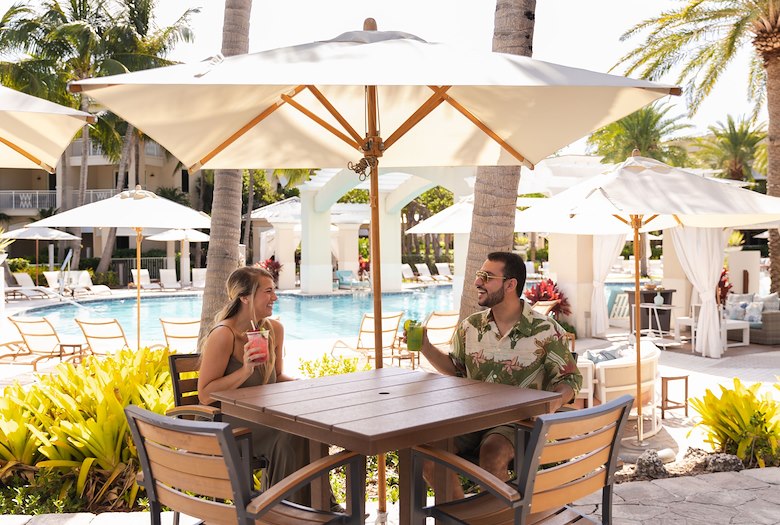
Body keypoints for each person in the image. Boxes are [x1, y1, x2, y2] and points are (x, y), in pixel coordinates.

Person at [417, 251, 582, 497]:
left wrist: (552, 403)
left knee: (493, 452)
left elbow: (571, 380)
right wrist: (426, 347)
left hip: (518, 424)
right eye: (478, 275)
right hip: (470, 418)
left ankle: (493, 518)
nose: (477, 282)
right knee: (426, 452)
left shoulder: (545, 330)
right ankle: (461, 518)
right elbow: (457, 370)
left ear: (510, 284)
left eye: (486, 276)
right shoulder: (470, 327)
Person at [197, 266, 310, 504]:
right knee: (289, 434)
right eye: (268, 291)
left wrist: (305, 386)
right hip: (224, 420)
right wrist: (245, 370)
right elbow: (205, 395)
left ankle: (309, 505)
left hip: (259, 415)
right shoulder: (224, 334)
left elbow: (277, 376)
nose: (275, 297)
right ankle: (282, 509)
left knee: (308, 429)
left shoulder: (274, 329)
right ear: (245, 297)